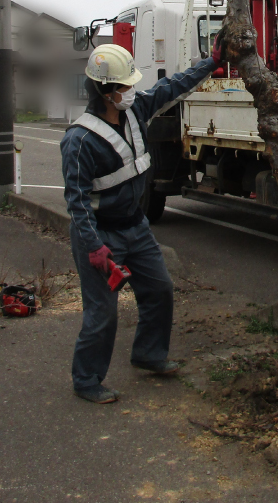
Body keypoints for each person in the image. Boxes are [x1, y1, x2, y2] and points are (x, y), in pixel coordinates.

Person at [61, 43, 220, 404]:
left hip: (136, 226)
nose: (130, 92)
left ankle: (149, 353)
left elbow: (172, 87)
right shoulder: (80, 140)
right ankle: (86, 379)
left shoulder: (135, 112)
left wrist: (212, 62)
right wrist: (94, 248)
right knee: (102, 312)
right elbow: (78, 203)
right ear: (105, 91)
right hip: (101, 235)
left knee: (159, 289)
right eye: (123, 87)